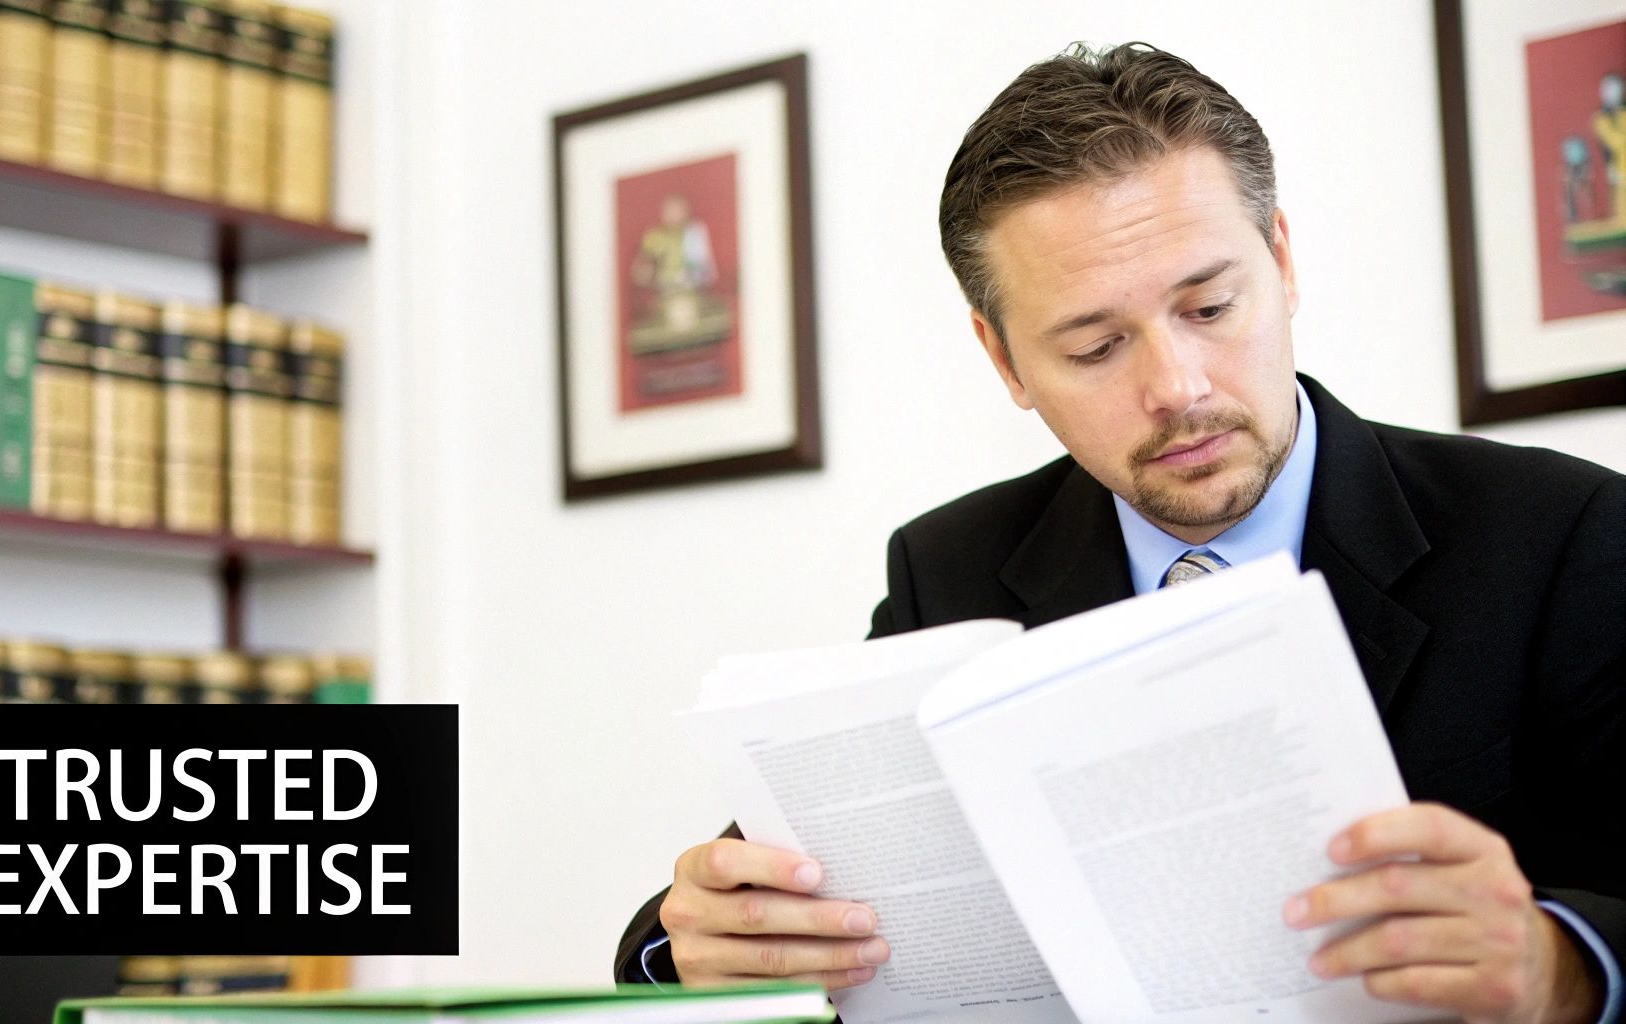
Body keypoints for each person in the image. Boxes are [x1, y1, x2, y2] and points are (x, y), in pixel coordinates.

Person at [614, 43, 1625, 1024]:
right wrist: (694, 944)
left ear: (1280, 260)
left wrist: (1558, 969)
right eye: (1094, 347)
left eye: (1210, 304)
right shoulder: (949, 570)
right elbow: (758, 896)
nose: (1176, 388)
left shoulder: (1561, 535)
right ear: (1002, 358)